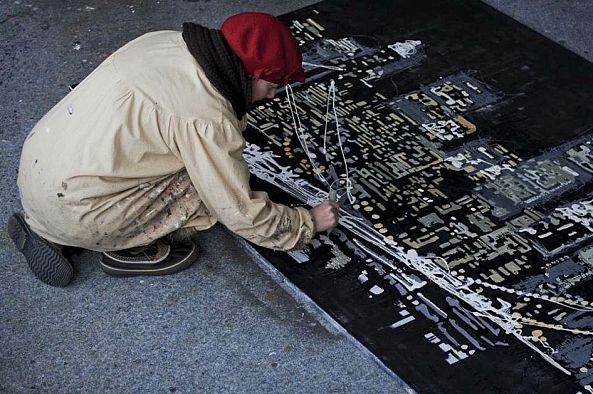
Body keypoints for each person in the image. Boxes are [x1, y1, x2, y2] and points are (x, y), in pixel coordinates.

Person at [8, 12, 339, 287]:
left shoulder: (162, 41)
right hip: (83, 212)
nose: (270, 96)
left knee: (186, 153)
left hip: (38, 170)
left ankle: (44, 224)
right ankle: (127, 246)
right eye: (271, 85)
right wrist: (305, 223)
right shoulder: (206, 118)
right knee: (207, 182)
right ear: (251, 74)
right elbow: (238, 211)